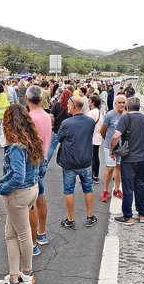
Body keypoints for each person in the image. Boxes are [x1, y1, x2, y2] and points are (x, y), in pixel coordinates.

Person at [0, 104, 43, 284]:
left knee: (21, 235)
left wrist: (1, 188)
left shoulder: (16, 146)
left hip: (18, 193)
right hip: (32, 189)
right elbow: (42, 166)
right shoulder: (33, 140)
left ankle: (19, 278)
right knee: (11, 234)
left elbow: (16, 176)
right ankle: (20, 275)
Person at [109, 96, 144, 225]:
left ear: (127, 107)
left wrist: (112, 150)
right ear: (139, 106)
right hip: (143, 159)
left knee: (128, 187)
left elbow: (116, 136)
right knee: (141, 185)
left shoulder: (125, 118)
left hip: (128, 159)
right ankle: (142, 214)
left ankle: (128, 216)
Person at [56, 96, 97, 229]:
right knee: (88, 188)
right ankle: (90, 217)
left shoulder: (66, 123)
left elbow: (60, 138)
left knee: (69, 190)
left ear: (74, 106)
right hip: (85, 161)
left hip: (69, 162)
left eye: (68, 104)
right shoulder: (90, 122)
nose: (67, 106)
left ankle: (70, 219)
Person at [25, 86, 52, 254]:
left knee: (30, 202)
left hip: (31, 161)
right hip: (43, 158)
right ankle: (41, 233)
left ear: (26, 99)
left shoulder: (29, 118)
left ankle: (33, 242)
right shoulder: (47, 116)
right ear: (41, 100)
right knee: (40, 195)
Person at [100, 95, 126, 203]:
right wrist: (107, 140)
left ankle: (116, 189)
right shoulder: (109, 115)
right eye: (119, 102)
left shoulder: (126, 116)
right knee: (110, 168)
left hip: (122, 145)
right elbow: (103, 130)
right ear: (115, 104)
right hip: (110, 146)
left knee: (119, 167)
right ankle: (105, 191)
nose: (121, 105)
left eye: (123, 103)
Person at [47, 89, 72, 162]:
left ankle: (45, 164)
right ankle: (65, 165)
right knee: (66, 148)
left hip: (57, 129)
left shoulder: (57, 104)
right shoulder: (71, 106)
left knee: (52, 147)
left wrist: (51, 124)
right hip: (67, 130)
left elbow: (51, 115)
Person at [87, 95, 103, 184]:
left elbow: (88, 126)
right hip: (98, 136)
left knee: (92, 157)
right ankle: (96, 176)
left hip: (92, 136)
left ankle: (91, 177)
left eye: (89, 101)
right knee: (96, 156)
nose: (88, 102)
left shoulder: (91, 113)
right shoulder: (99, 112)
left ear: (93, 103)